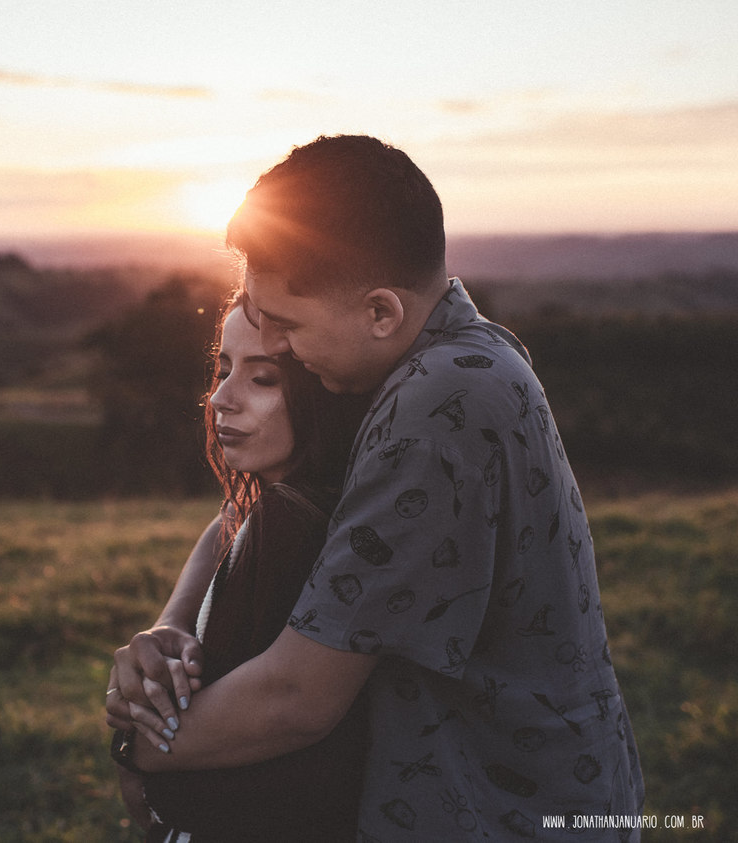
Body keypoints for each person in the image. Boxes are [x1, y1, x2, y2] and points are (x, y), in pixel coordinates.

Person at [110, 135, 644, 841]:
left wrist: (136, 743)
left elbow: (299, 695)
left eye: (290, 328)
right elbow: (254, 512)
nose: (284, 346)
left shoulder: (432, 412)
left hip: (502, 810)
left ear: (380, 312)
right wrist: (174, 627)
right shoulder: (451, 352)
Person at [106, 293, 371, 841]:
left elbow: (271, 727)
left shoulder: (292, 527)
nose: (220, 399)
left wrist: (132, 747)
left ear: (324, 389)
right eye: (224, 369)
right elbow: (231, 517)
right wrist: (171, 624)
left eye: (264, 379)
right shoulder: (272, 506)